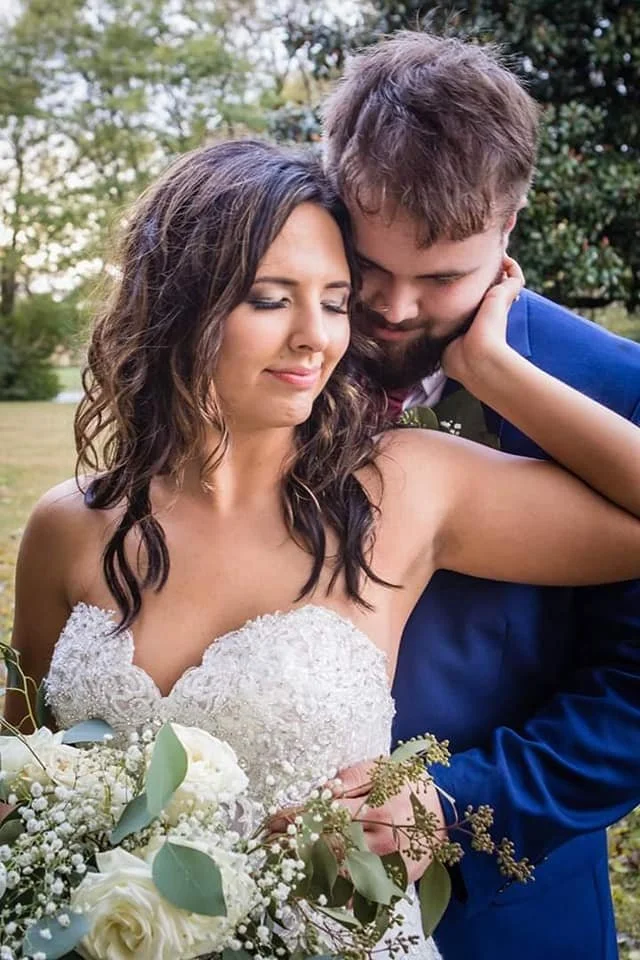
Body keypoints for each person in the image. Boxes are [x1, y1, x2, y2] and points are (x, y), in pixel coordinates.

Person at [6, 140, 640, 960]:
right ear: (180, 304)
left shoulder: (402, 489)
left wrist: (494, 369)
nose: (316, 337)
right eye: (273, 299)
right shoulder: (68, 525)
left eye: (337, 300)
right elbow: (24, 759)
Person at [322, 30, 640, 960]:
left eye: (441, 278)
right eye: (369, 266)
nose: (392, 309)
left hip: (509, 916)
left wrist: (457, 807)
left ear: (510, 225)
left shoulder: (617, 394)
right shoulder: (273, 347)